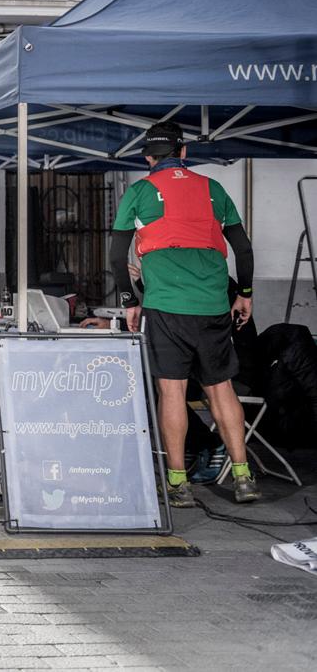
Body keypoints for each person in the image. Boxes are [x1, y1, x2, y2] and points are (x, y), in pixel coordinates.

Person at [110, 120, 259, 507]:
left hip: (165, 307)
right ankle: (242, 476)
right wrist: (244, 293)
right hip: (212, 307)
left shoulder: (140, 191)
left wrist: (129, 301)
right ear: (183, 152)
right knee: (220, 388)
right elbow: (242, 249)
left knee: (171, 390)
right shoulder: (213, 189)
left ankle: (179, 483)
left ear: (147, 156)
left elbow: (115, 255)